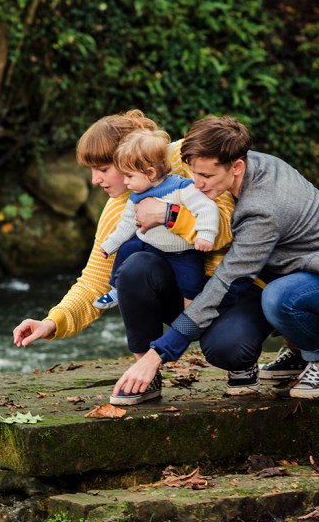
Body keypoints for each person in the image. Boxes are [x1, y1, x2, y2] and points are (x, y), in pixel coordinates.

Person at [110, 114, 319, 406]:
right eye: (194, 173)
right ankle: (296, 354)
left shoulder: (262, 210)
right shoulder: (246, 161)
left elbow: (229, 281)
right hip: (303, 267)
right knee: (240, 323)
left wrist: (158, 354)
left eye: (207, 177)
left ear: (237, 167)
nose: (197, 184)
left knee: (279, 297)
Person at [12, 109, 236, 352]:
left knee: (229, 348)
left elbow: (228, 229)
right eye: (91, 170)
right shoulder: (117, 209)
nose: (95, 180)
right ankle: (146, 365)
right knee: (134, 267)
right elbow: (94, 283)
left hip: (232, 287)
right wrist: (51, 323)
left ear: (128, 157)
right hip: (182, 299)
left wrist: (167, 214)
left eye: (103, 169)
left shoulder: (187, 160)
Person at [94, 128, 221, 310]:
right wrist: (110, 245)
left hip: (183, 252)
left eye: (129, 176)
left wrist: (205, 235)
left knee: (192, 284)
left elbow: (207, 208)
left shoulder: (182, 187)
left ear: (151, 173)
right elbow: (127, 223)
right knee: (127, 248)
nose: (126, 182)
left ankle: (191, 315)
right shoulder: (135, 195)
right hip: (151, 245)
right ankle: (116, 289)